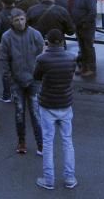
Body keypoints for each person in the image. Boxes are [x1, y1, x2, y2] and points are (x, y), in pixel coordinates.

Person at [34, 29, 78, 190]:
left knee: (48, 142)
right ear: (62, 41)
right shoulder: (72, 58)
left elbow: (36, 76)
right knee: (67, 141)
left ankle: (49, 179)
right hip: (65, 103)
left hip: (47, 104)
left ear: (48, 41)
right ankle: (70, 178)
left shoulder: (42, 59)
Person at [0, 10, 44, 155]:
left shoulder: (35, 34)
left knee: (36, 114)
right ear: (11, 21)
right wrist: (10, 79)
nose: (20, 22)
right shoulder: (6, 37)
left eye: (22, 19)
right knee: (19, 113)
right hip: (16, 82)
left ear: (26, 19)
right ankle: (22, 142)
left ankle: (41, 144)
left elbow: (43, 56)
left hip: (34, 81)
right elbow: (3, 59)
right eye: (17, 20)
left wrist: (39, 76)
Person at [68, 0, 97, 77]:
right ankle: (84, 67)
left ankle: (91, 69)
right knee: (82, 48)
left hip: (86, 27)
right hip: (78, 26)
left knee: (88, 48)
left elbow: (92, 13)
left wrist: (83, 23)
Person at [0, 0, 18, 103]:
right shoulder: (19, 12)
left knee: (6, 71)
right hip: (19, 44)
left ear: (3, 3)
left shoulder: (1, 15)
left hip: (5, 45)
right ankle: (18, 93)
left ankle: (6, 95)